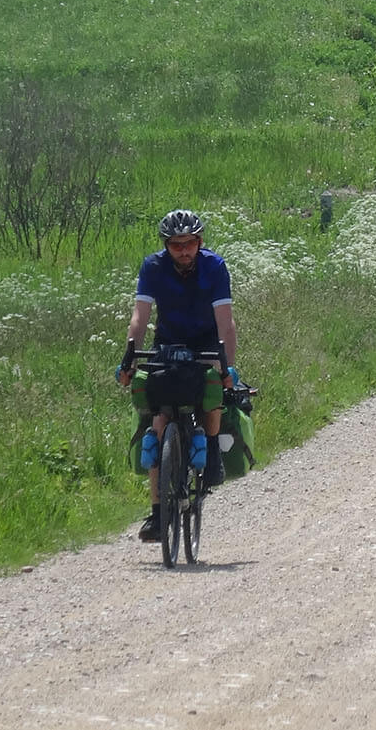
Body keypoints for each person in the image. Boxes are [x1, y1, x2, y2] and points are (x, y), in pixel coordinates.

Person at [117, 208, 240, 542]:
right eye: (176, 245)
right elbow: (140, 317)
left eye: (189, 244)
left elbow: (225, 321)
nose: (183, 251)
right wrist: (130, 356)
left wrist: (225, 364)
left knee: (212, 394)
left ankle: (211, 450)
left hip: (205, 343)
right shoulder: (152, 267)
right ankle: (158, 515)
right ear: (166, 246)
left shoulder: (214, 266)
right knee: (158, 426)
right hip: (168, 343)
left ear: (199, 242)